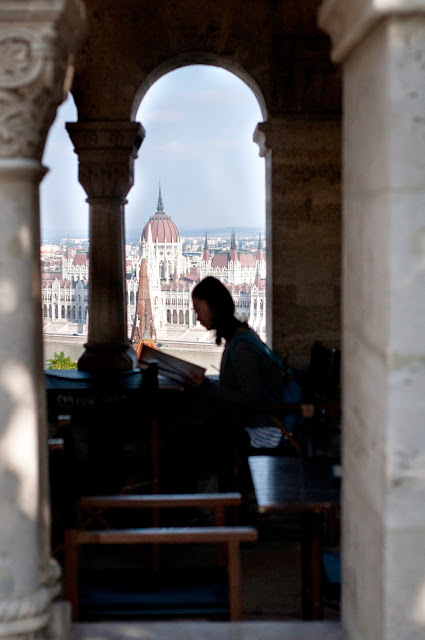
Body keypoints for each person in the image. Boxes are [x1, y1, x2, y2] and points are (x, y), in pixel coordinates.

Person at [189, 276, 304, 450]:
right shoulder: (242, 337)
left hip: (260, 431)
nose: (197, 317)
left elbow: (250, 399)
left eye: (198, 310)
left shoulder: (241, 347)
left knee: (185, 441)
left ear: (213, 307)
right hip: (253, 423)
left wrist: (205, 386)